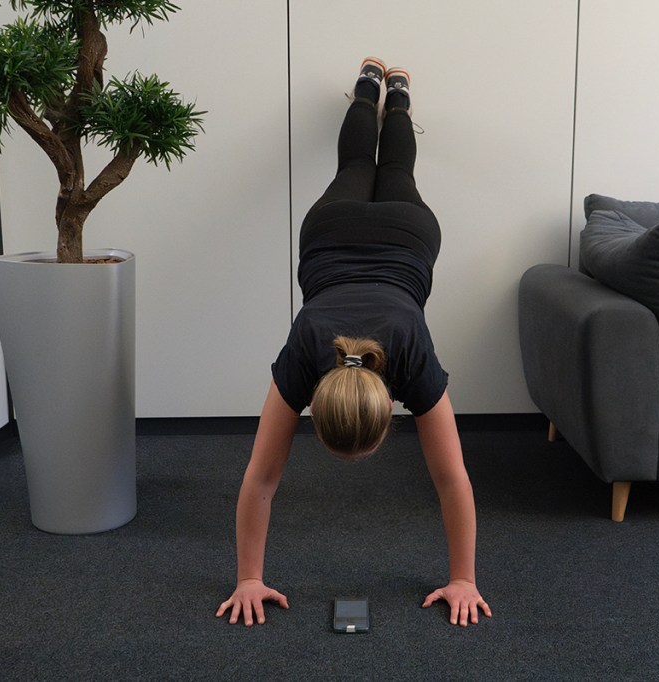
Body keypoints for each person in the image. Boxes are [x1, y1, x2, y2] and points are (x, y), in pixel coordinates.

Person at [215, 58, 491, 628]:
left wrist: (251, 578)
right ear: (318, 403)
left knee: (394, 172)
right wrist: (247, 578)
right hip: (330, 230)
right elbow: (258, 482)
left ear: (387, 405)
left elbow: (451, 480)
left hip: (409, 235)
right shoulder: (305, 349)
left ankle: (396, 92)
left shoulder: (409, 353)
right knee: (356, 165)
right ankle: (369, 87)